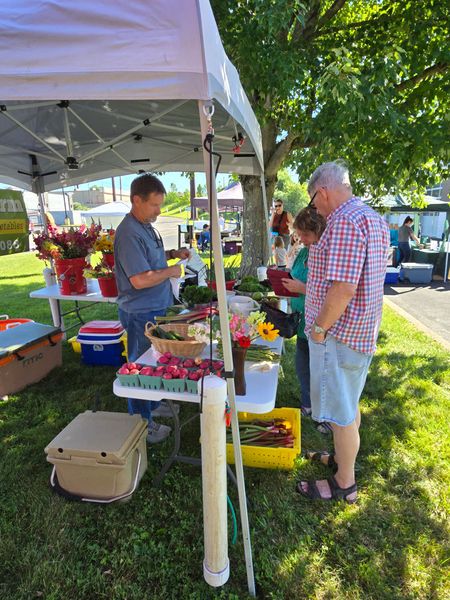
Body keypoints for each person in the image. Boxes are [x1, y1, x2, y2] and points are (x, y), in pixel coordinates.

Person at [296, 161, 390, 504]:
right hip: (358, 334)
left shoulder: (344, 222)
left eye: (313, 202)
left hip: (341, 336)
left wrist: (319, 329)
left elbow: (343, 289)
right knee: (348, 406)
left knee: (341, 414)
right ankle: (342, 458)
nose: (314, 209)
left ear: (321, 192)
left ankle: (344, 482)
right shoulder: (370, 217)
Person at [114, 173, 190, 443]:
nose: (159, 210)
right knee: (138, 367)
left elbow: (150, 258)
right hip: (140, 312)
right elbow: (139, 279)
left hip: (156, 307)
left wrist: (172, 254)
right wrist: (171, 270)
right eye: (155, 205)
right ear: (136, 200)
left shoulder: (145, 224)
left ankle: (153, 403)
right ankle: (142, 423)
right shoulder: (128, 234)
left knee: (155, 361)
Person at [281, 207, 330, 432]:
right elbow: (296, 275)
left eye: (305, 235)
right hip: (303, 319)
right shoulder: (304, 253)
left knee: (322, 370)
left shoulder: (327, 254)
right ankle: (308, 404)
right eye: (299, 234)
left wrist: (302, 287)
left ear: (317, 231)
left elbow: (331, 292)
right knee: (303, 366)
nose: (301, 239)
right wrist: (282, 279)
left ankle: (325, 415)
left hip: (321, 322)